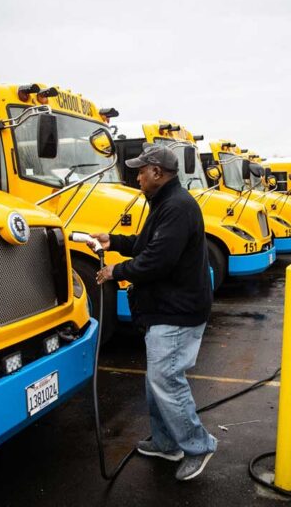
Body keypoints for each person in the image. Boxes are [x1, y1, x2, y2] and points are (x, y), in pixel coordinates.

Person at [89, 144, 217, 481]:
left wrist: (116, 271)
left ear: (157, 173)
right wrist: (112, 241)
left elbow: (158, 260)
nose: (137, 176)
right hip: (165, 309)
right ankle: (166, 443)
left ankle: (197, 446)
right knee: (156, 381)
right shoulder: (165, 203)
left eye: (141, 170)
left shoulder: (176, 207)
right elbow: (148, 245)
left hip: (176, 311)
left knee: (166, 380)